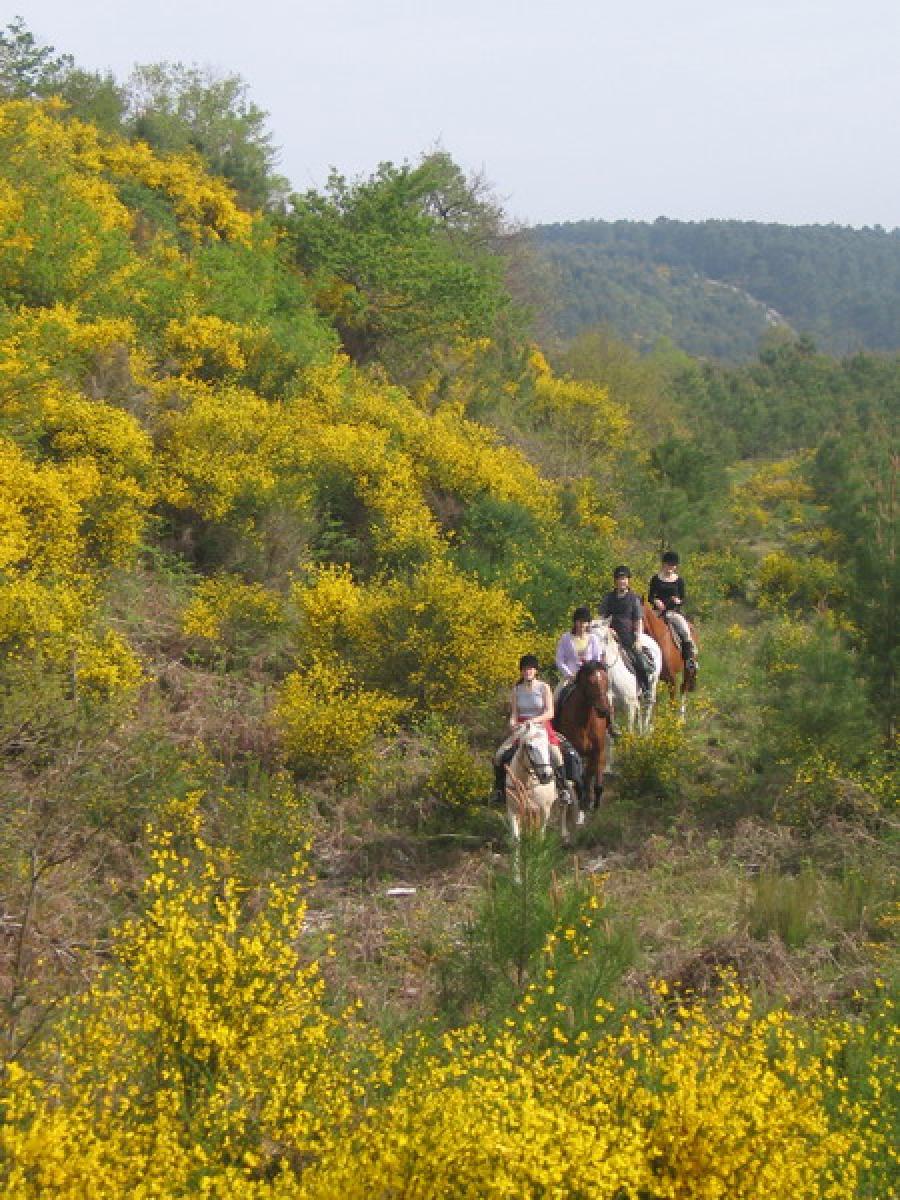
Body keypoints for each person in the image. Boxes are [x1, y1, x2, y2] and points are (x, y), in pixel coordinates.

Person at [493, 654, 566, 803]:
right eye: (525, 669)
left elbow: (550, 712)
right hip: (522, 728)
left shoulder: (544, 687)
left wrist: (533, 720)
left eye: (531, 669)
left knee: (556, 755)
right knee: (500, 754)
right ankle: (499, 790)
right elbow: (514, 714)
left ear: (536, 671)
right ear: (521, 671)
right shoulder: (516, 690)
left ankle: (563, 789)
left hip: (541, 726)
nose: (528, 672)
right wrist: (512, 723)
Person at [598, 565, 652, 698]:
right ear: (615, 581)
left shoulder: (634, 599)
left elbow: (638, 620)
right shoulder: (608, 598)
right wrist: (608, 630)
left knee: (640, 661)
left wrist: (638, 638)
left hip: (628, 637)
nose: (622, 581)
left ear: (628, 580)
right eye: (619, 579)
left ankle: (646, 688)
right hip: (611, 637)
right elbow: (601, 618)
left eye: (624, 579)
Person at [648, 551, 698, 670]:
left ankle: (689, 659)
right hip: (657, 612)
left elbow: (683, 598)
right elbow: (650, 596)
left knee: (685, 631)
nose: (671, 567)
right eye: (668, 564)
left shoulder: (679, 580)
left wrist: (678, 601)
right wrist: (656, 601)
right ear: (663, 564)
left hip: (673, 612)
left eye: (673, 565)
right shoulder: (655, 579)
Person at [555, 606, 605, 684]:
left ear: (588, 623)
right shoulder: (566, 638)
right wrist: (569, 674)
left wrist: (591, 668)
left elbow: (597, 659)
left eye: (585, 622)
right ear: (575, 622)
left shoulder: (594, 638)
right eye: (579, 621)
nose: (582, 624)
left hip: (589, 677)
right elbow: (559, 660)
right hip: (570, 677)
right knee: (558, 694)